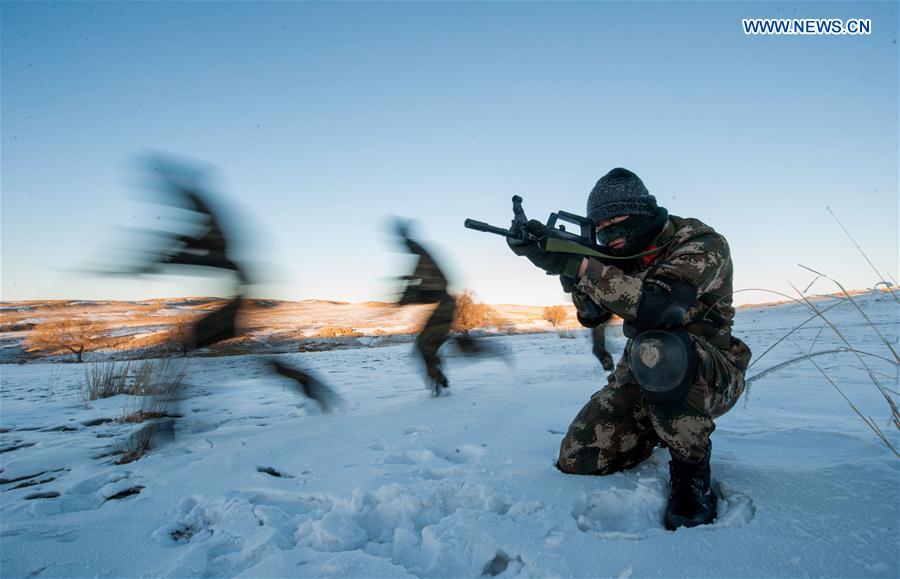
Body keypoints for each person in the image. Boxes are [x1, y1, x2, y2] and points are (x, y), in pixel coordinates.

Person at [509, 168, 751, 530]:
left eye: (616, 219)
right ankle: (660, 423)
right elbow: (592, 315)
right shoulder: (621, 252)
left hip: (708, 373)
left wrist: (579, 264)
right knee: (579, 457)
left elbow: (659, 307)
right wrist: (569, 267)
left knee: (660, 343)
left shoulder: (700, 243)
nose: (608, 232)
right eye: (599, 225)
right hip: (642, 371)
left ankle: (690, 469)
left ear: (640, 211)